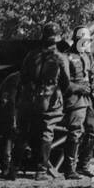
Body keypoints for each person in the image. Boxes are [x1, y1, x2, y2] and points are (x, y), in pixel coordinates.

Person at [19, 23, 70, 178]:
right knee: (46, 131)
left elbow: (23, 77)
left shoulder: (31, 55)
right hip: (51, 100)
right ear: (57, 39)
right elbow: (66, 82)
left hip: (30, 99)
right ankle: (42, 170)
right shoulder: (61, 58)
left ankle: (13, 168)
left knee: (26, 131)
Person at [61, 26, 94, 179]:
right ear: (76, 40)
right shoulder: (67, 57)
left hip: (88, 99)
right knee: (75, 131)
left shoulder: (88, 57)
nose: (85, 44)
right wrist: (80, 88)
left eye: (87, 41)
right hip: (74, 98)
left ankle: (83, 166)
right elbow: (64, 83)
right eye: (82, 41)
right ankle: (69, 169)